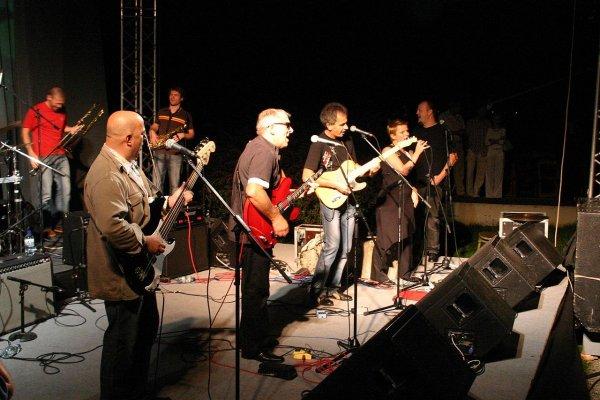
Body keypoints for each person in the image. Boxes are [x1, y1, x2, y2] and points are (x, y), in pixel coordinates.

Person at [85, 110, 192, 400]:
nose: (146, 139)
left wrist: (169, 201)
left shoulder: (128, 165)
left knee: (144, 333)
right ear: (129, 138)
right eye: (143, 134)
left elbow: (146, 203)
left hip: (136, 268)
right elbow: (113, 226)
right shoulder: (106, 174)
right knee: (123, 342)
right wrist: (146, 242)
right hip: (120, 272)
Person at [229, 108, 292, 363]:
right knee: (256, 291)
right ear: (271, 128)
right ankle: (253, 347)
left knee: (256, 289)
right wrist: (276, 217)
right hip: (253, 231)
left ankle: (254, 338)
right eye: (286, 125)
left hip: (252, 230)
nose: (290, 130)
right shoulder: (264, 151)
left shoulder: (259, 147)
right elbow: (254, 191)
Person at [303, 102, 359, 307]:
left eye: (346, 123)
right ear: (329, 125)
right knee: (332, 245)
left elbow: (353, 166)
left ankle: (333, 288)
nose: (346, 127)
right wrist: (335, 185)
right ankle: (316, 290)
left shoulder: (347, 141)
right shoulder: (319, 143)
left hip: (349, 200)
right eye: (342, 124)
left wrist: (369, 169)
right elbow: (307, 175)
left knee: (346, 248)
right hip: (331, 200)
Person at [370, 119, 428, 285]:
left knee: (407, 234)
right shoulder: (388, 150)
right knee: (386, 237)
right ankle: (378, 275)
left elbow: (409, 178)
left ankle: (405, 273)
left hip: (405, 197)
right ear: (393, 136)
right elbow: (403, 170)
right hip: (390, 199)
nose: (406, 134)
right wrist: (417, 153)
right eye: (402, 132)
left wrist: (414, 190)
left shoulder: (406, 151)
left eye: (407, 131)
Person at [21, 87, 82, 237]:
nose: (60, 106)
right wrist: (31, 154)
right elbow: (25, 131)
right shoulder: (36, 110)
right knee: (46, 193)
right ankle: (47, 226)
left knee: (65, 191)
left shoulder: (61, 112)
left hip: (60, 156)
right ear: (49, 98)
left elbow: (59, 128)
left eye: (62, 104)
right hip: (44, 156)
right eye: (57, 103)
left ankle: (62, 223)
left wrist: (71, 129)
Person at [413, 100, 458, 263]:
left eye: (420, 110)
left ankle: (432, 251)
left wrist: (439, 177)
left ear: (429, 112)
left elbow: (453, 157)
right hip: (417, 183)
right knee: (417, 217)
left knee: (433, 217)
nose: (417, 113)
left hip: (436, 182)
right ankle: (417, 250)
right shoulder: (416, 132)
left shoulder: (443, 131)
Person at [149, 87, 195, 195]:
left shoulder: (186, 115)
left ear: (181, 98)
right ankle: (157, 205)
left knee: (174, 186)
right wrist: (152, 131)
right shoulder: (161, 111)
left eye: (176, 95)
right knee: (156, 185)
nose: (172, 97)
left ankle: (172, 206)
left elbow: (191, 134)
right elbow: (155, 126)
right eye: (171, 94)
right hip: (159, 152)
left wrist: (183, 134)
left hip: (175, 154)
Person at [440, 102, 466, 196]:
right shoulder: (443, 116)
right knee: (447, 168)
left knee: (459, 169)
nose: (458, 109)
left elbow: (463, 130)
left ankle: (460, 191)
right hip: (448, 145)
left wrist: (455, 132)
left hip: (458, 145)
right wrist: (454, 132)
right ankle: (445, 192)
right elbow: (443, 129)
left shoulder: (459, 117)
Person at [465, 107, 491, 197]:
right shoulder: (471, 122)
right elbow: (466, 135)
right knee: (469, 172)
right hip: (472, 149)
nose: (482, 112)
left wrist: (486, 148)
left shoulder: (487, 123)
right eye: (481, 110)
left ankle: (476, 191)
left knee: (481, 173)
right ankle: (469, 192)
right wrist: (468, 148)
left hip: (482, 150)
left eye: (484, 111)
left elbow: (489, 136)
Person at [485, 113, 506, 198]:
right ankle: (489, 194)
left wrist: (493, 141)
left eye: (498, 119)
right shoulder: (489, 130)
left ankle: (497, 194)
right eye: (495, 119)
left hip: (499, 152)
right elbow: (487, 142)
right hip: (490, 152)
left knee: (499, 172)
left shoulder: (503, 130)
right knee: (489, 172)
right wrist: (497, 140)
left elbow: (502, 141)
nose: (496, 121)